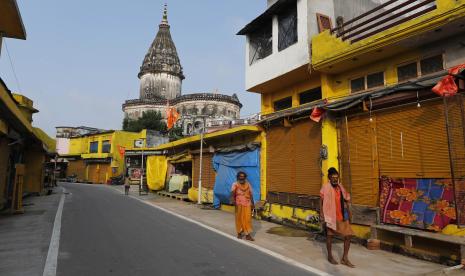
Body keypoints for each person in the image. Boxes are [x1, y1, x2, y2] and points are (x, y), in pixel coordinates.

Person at [320, 167, 355, 268]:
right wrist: (321, 212)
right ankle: (330, 256)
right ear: (329, 178)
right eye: (333, 177)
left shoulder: (340, 187)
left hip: (342, 216)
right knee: (330, 236)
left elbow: (346, 198)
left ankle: (344, 258)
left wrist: (349, 212)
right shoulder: (325, 187)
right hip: (331, 216)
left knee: (348, 235)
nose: (335, 179)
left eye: (336, 177)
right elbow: (321, 200)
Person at [230, 171, 255, 241]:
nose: (242, 178)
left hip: (247, 204)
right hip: (238, 204)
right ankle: (239, 233)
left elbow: (251, 194)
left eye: (243, 177)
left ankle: (248, 235)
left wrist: (253, 204)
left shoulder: (248, 185)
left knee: (248, 219)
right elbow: (232, 194)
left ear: (245, 177)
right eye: (240, 176)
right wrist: (233, 201)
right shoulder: (235, 184)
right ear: (238, 177)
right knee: (239, 219)